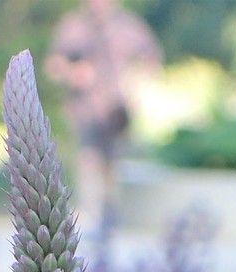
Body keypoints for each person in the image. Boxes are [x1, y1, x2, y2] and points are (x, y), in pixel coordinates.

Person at [46, 0, 162, 229]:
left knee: (112, 163)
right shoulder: (74, 26)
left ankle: (109, 215)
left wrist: (136, 86)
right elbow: (53, 65)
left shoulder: (128, 25)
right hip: (84, 106)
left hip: (115, 109)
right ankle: (91, 214)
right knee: (88, 160)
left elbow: (152, 57)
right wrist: (73, 73)